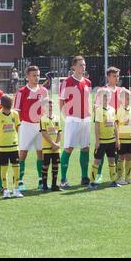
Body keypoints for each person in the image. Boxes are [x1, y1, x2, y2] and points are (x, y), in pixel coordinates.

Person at [59, 56, 92, 188]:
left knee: (85, 148)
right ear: (73, 67)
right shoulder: (67, 82)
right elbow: (61, 101)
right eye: (80, 65)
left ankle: (84, 177)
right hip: (72, 119)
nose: (83, 67)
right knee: (69, 148)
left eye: (84, 65)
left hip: (86, 119)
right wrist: (66, 117)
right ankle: (63, 179)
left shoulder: (88, 82)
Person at [14, 65, 49, 190]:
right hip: (26, 125)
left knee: (41, 152)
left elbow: (46, 110)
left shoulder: (44, 91)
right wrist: (17, 127)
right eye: (34, 75)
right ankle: (19, 181)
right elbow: (16, 111)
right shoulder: (21, 91)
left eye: (38, 75)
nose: (36, 77)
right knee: (23, 153)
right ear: (27, 77)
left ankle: (41, 181)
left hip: (40, 125)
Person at [94, 67, 122, 183]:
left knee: (115, 151)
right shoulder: (102, 90)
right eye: (114, 76)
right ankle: (98, 174)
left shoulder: (121, 90)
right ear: (108, 77)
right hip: (105, 122)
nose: (116, 78)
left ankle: (115, 176)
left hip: (117, 123)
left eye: (117, 76)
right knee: (101, 151)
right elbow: (96, 106)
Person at [88, 88, 120, 190]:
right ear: (101, 98)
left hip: (111, 140)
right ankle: (92, 182)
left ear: (110, 97)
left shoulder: (112, 110)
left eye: (108, 96)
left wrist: (117, 139)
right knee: (97, 161)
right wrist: (97, 141)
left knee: (112, 160)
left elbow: (115, 125)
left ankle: (113, 181)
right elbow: (97, 126)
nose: (106, 98)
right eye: (104, 96)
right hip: (102, 141)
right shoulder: (98, 110)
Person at [0, 94, 23, 198]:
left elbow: (17, 127)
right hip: (3, 147)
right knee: (4, 169)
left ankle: (16, 189)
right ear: (3, 104)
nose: (11, 104)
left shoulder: (15, 114)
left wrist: (14, 138)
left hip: (14, 146)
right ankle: (5, 190)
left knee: (16, 168)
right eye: (10, 102)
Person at [39, 99, 62, 191]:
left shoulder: (57, 118)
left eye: (51, 105)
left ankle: (54, 185)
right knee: (46, 165)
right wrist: (52, 144)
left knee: (56, 165)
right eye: (48, 105)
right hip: (47, 147)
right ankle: (44, 185)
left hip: (56, 147)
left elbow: (59, 132)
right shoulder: (43, 119)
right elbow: (44, 133)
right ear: (44, 107)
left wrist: (57, 144)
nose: (50, 106)